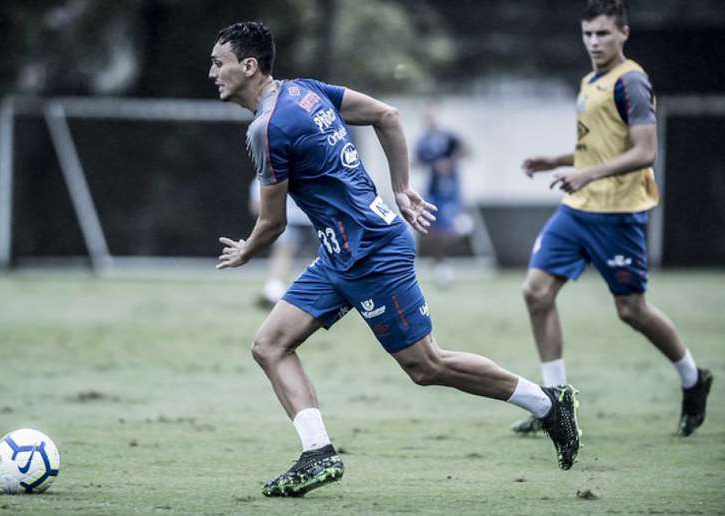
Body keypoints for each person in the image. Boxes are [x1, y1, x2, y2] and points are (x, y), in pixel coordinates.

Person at [209, 21, 581, 498]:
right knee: (270, 344)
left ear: (249, 66)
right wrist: (402, 188)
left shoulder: (266, 128)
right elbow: (387, 114)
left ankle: (549, 405)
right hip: (341, 254)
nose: (213, 72)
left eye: (219, 63)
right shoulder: (305, 90)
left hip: (374, 252)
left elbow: (274, 223)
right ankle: (318, 453)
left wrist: (246, 250)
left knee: (427, 366)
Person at [513, 0, 712, 437]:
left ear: (624, 33)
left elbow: (645, 152)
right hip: (578, 209)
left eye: (602, 34)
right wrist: (556, 160)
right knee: (536, 292)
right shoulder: (589, 82)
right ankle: (554, 402)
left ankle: (693, 378)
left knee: (631, 310)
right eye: (587, 34)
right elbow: (598, 146)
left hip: (618, 214)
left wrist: (584, 172)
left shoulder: (632, 82)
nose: (593, 43)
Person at [414, 104, 471, 288]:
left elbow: (467, 151)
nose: (429, 120)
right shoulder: (423, 141)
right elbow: (416, 161)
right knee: (430, 228)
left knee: (449, 228)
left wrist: (449, 162)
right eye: (426, 117)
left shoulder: (449, 136)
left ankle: (461, 234)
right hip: (432, 190)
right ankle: (440, 265)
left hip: (450, 190)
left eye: (432, 116)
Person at [248, 178, 314, 308]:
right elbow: (257, 203)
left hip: (315, 217)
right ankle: (274, 291)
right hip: (290, 217)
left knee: (324, 256)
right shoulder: (273, 168)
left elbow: (256, 204)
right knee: (283, 251)